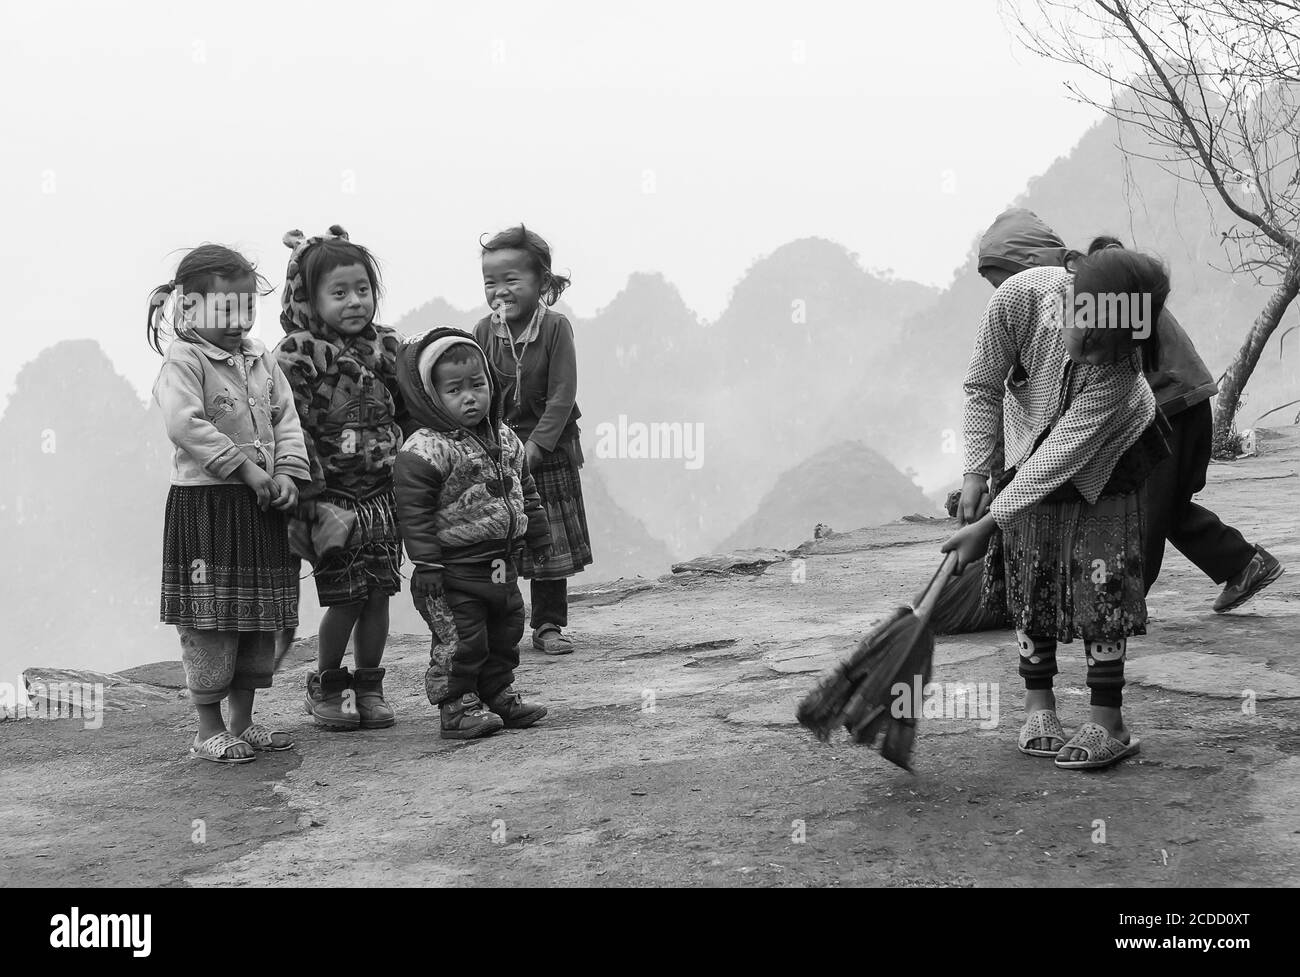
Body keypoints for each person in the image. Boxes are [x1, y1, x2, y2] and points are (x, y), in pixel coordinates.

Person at [944, 247, 1171, 770]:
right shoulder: (1017, 299)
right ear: (1071, 294)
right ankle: (1037, 704)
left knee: (1101, 576)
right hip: (1028, 445)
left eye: (1109, 347)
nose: (1092, 354)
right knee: (1032, 570)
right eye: (1088, 337)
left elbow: (1061, 457)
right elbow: (983, 384)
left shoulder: (1118, 371)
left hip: (1105, 458)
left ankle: (1108, 718)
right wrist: (978, 471)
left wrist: (990, 523)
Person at [148, 244, 309, 763]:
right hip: (209, 510)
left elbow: (286, 419)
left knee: (258, 618)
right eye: (226, 309)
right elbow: (185, 424)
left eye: (247, 308)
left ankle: (244, 722)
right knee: (212, 619)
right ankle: (208, 727)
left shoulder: (262, 358)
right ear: (189, 307)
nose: (239, 320)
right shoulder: (184, 360)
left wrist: (285, 473)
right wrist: (245, 469)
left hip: (260, 507)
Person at [1085, 236, 1283, 608]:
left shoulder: (1125, 302)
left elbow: (1111, 365)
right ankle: (1244, 564)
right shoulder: (1140, 296)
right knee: (1169, 505)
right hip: (1189, 404)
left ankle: (1123, 605)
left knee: (1149, 509)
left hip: (1169, 409)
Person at [275, 226, 409, 730]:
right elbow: (291, 423)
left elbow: (411, 413)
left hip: (383, 496)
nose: (355, 301)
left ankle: (369, 686)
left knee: (380, 592)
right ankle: (330, 685)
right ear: (309, 299)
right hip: (334, 499)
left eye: (363, 290)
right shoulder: (298, 354)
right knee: (346, 595)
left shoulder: (389, 347)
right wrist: (307, 495)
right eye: (339, 293)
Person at [393, 327, 553, 739]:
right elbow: (414, 513)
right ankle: (457, 706)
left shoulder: (504, 437)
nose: (470, 397)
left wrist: (537, 533)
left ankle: (498, 693)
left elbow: (524, 488)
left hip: (500, 563)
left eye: (477, 385)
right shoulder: (425, 449)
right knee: (462, 639)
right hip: (452, 571)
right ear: (431, 396)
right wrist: (425, 564)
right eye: (454, 390)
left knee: (506, 627)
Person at [472, 225, 592, 654]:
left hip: (549, 450)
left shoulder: (556, 329)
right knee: (499, 541)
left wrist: (537, 447)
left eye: (511, 280)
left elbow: (563, 395)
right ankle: (501, 623)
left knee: (548, 540)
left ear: (541, 282)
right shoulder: (485, 331)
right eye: (490, 282)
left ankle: (548, 624)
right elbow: (476, 389)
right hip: (502, 453)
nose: (499, 291)